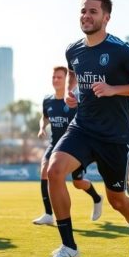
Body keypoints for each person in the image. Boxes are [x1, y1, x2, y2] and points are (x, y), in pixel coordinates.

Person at [43, 0, 129, 257]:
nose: (86, 16)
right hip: (82, 127)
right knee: (54, 171)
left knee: (117, 200)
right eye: (83, 11)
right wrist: (72, 91)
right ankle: (69, 247)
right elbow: (75, 72)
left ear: (106, 17)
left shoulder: (121, 50)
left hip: (115, 136)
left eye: (93, 11)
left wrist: (114, 89)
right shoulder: (73, 49)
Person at [33, 66, 102, 225]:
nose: (56, 80)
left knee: (78, 183)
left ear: (67, 80)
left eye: (59, 77)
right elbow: (44, 117)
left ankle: (97, 198)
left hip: (73, 147)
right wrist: (42, 127)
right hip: (54, 144)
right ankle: (49, 214)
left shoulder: (74, 101)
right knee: (45, 171)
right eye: (54, 77)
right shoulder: (48, 100)